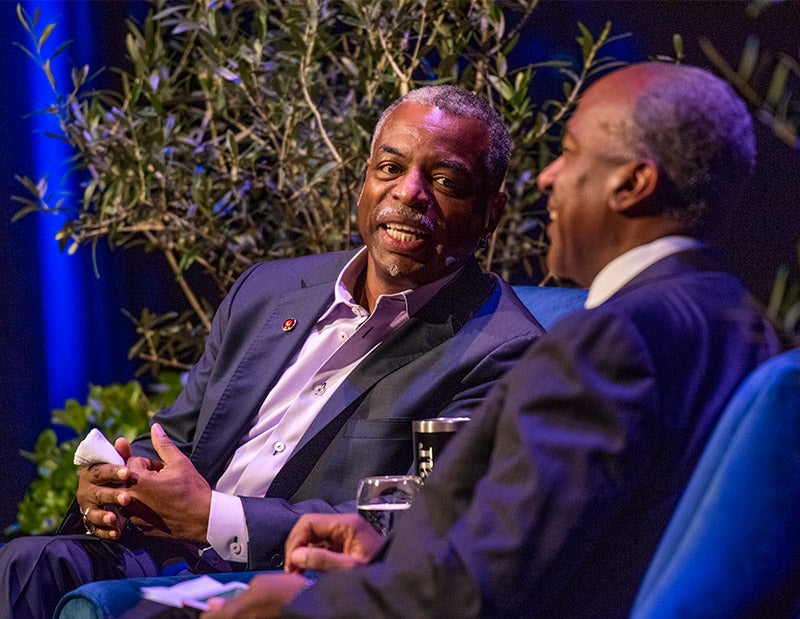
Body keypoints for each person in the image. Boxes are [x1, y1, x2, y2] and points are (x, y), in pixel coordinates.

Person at [201, 62, 782, 618]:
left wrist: (301, 607)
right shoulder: (746, 325)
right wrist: (387, 559)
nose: (548, 177)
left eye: (570, 152)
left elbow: (483, 592)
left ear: (632, 184)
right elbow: (580, 545)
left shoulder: (610, 342)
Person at [0, 85, 544, 618]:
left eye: (445, 179)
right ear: (364, 181)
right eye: (390, 168)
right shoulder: (269, 289)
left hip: (284, 582)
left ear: (490, 212)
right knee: (24, 563)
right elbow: (177, 436)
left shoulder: (503, 351)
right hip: (161, 555)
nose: (410, 192)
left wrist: (215, 517)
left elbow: (421, 522)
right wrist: (120, 483)